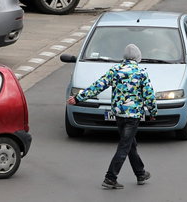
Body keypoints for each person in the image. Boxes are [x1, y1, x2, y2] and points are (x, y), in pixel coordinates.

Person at [66, 44, 158, 189]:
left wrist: (78, 98)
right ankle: (110, 177)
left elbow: (98, 86)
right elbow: (149, 95)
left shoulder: (115, 70)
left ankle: (140, 173)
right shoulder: (141, 72)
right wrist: (152, 113)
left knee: (130, 144)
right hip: (133, 116)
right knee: (124, 146)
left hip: (119, 114)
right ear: (137, 57)